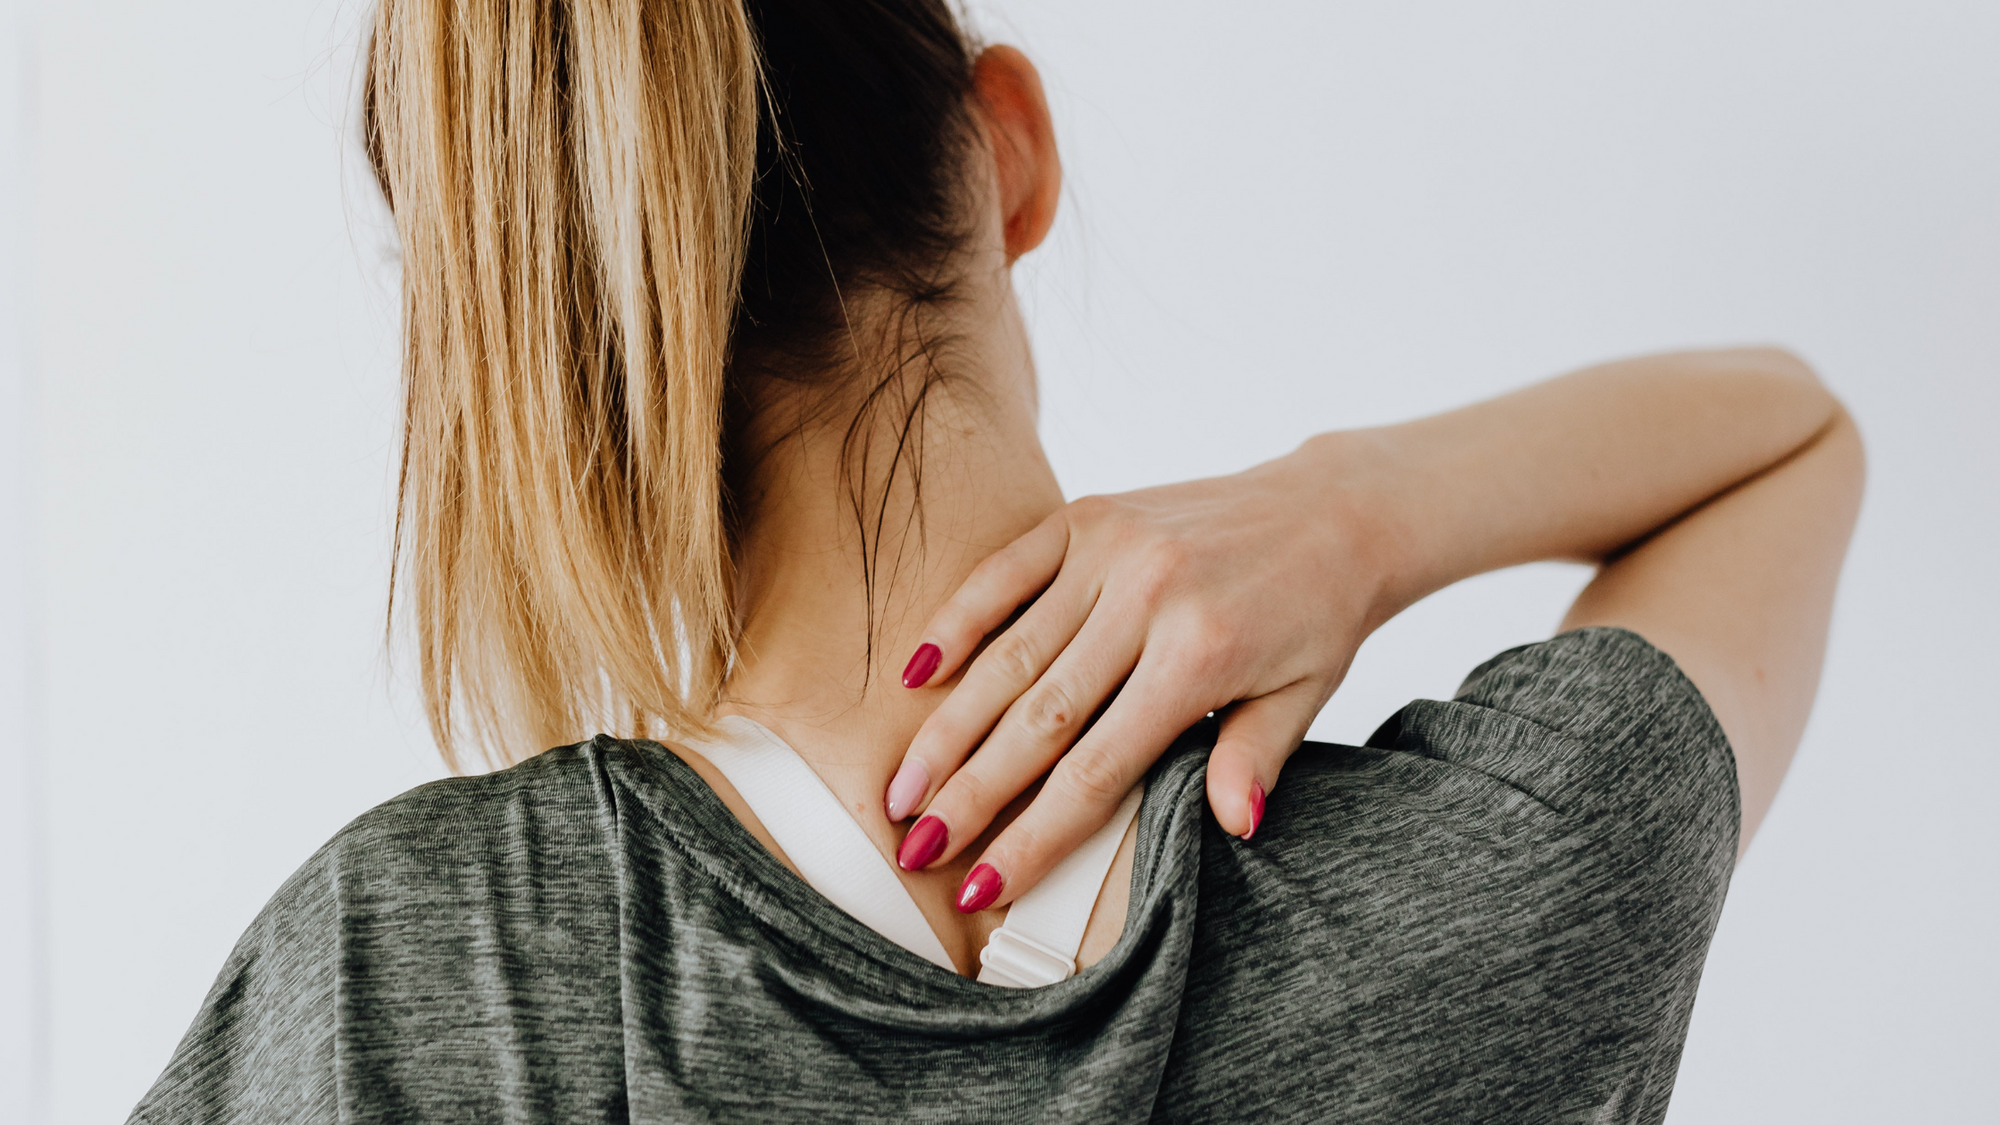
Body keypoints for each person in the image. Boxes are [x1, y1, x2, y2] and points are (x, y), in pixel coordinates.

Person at [128, 0, 1863, 1121]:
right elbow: (1791, 440)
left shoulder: (420, 972)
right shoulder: (1501, 890)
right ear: (1008, 150)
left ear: (549, 316)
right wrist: (1360, 511)